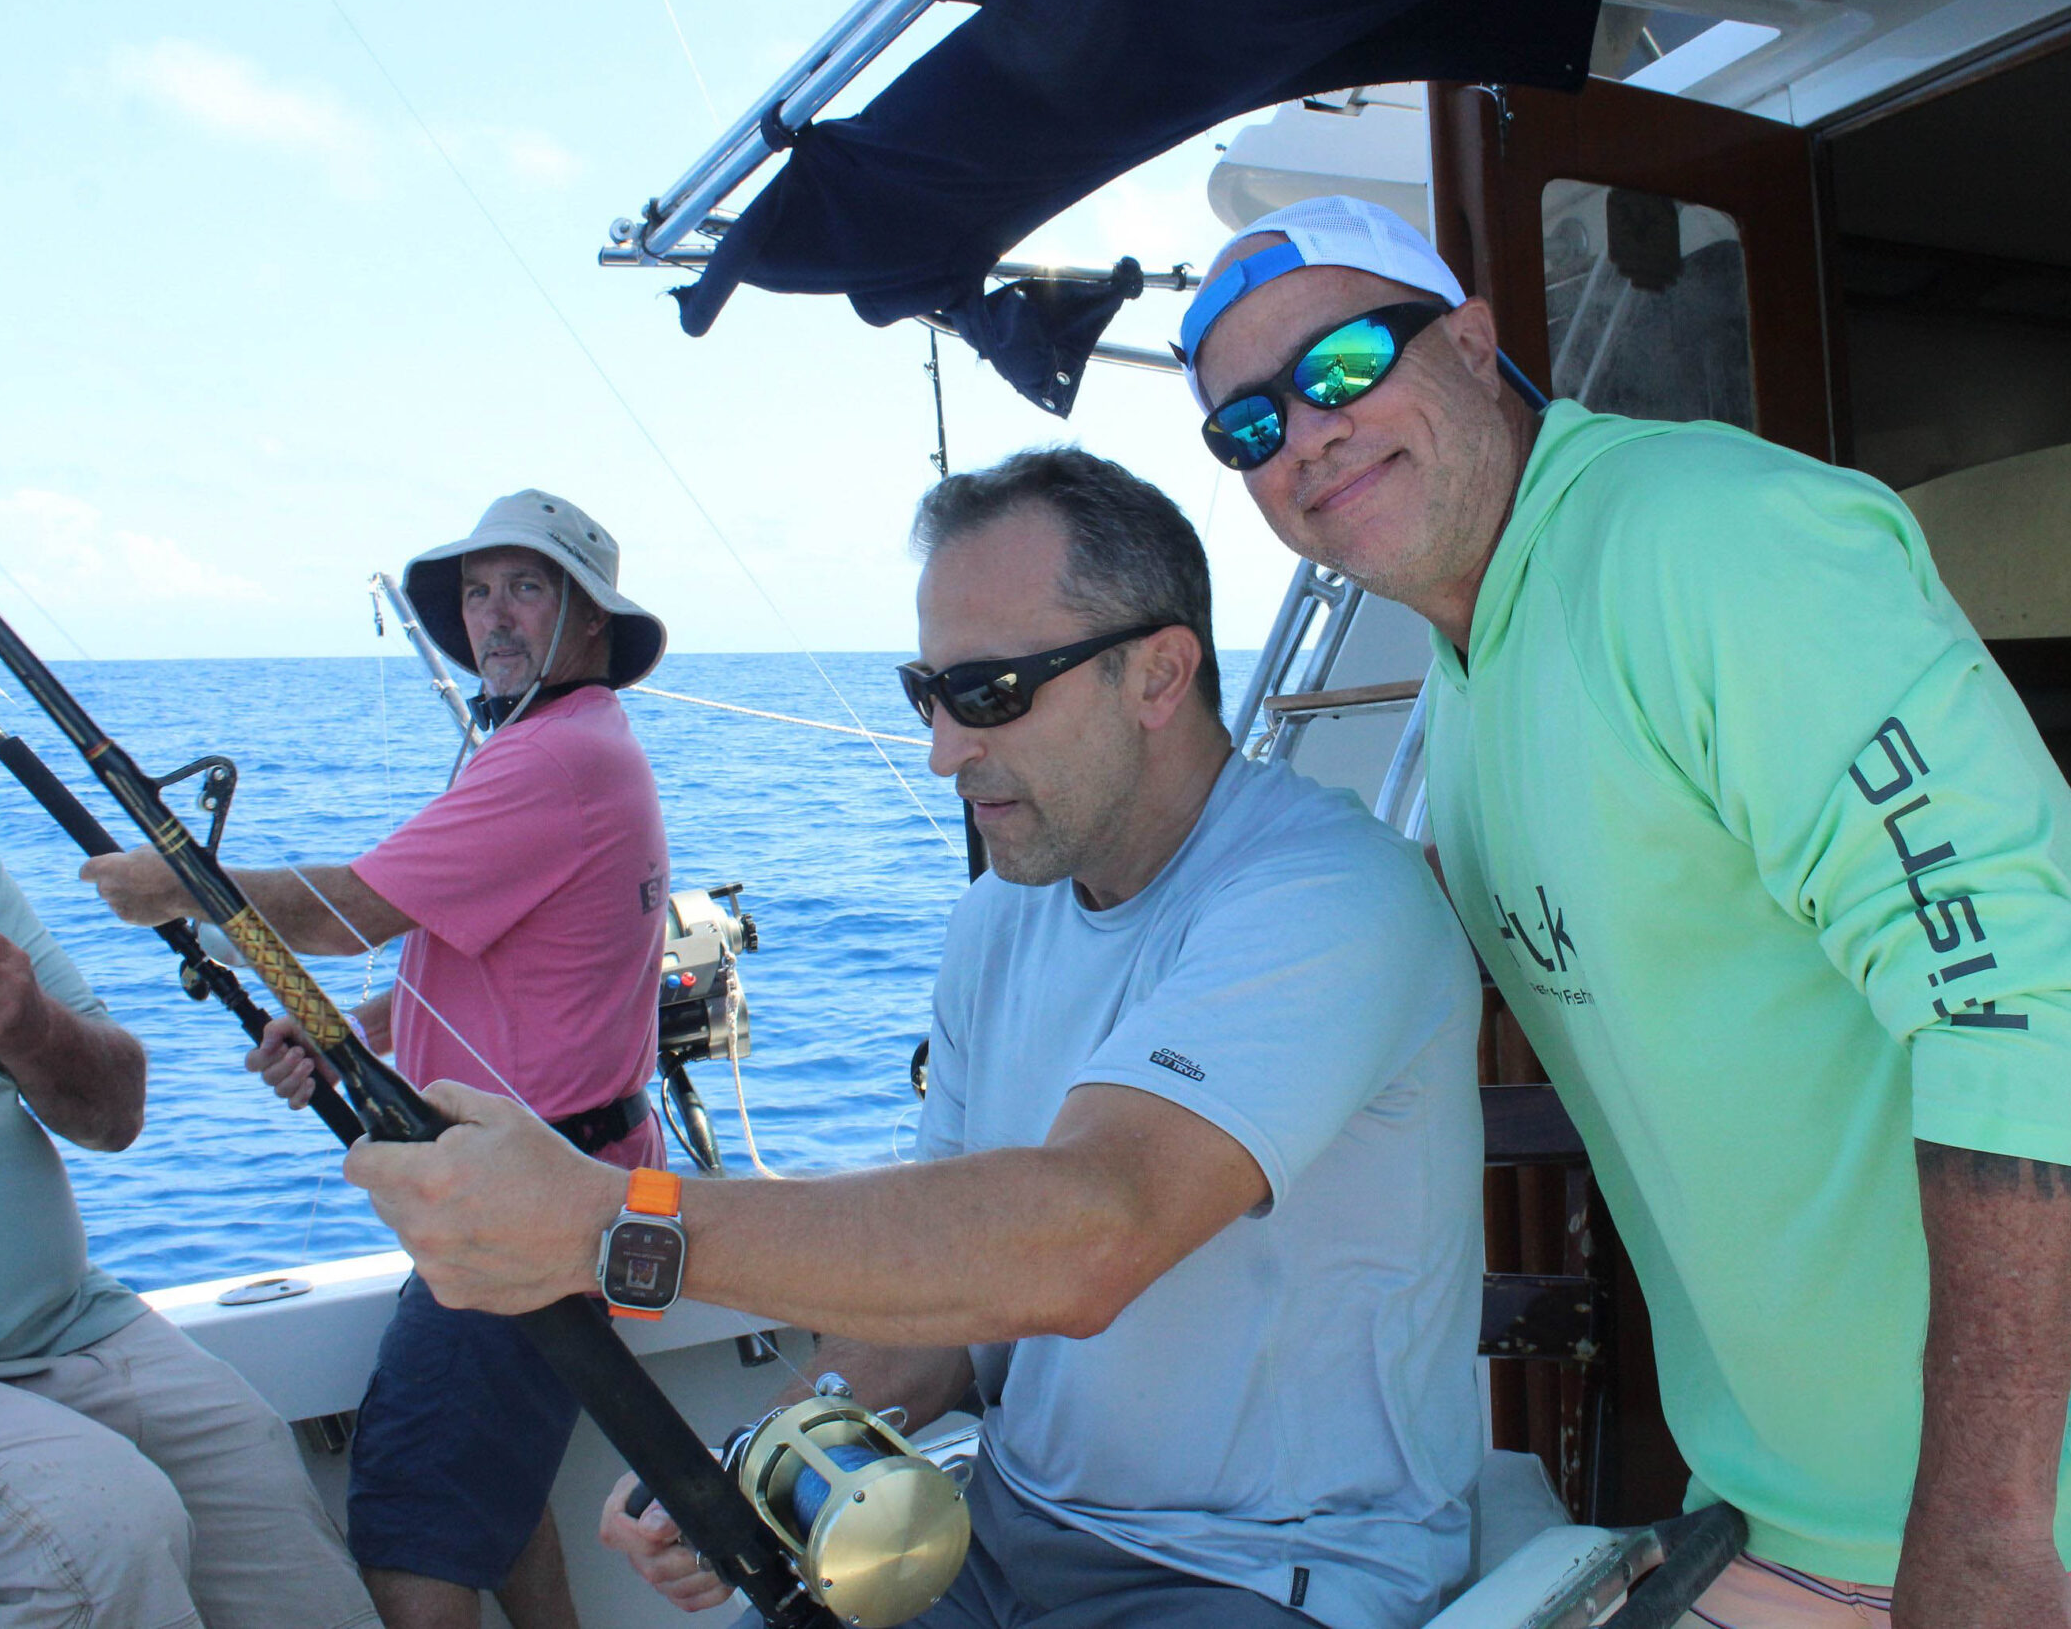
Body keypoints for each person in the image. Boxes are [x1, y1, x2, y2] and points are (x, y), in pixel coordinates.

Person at [1179, 194, 2071, 1628]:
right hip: (1812, 1511)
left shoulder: (1706, 540)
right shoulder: (1467, 674)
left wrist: (1981, 1527)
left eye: (1342, 364)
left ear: (1475, 345)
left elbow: (2000, 996)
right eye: (1247, 428)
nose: (1304, 431)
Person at [344, 448, 1493, 1629]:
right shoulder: (1003, 914)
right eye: (926, 693)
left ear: (1158, 674)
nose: (944, 751)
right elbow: (957, 1298)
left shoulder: (1327, 898)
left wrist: (608, 1220)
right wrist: (767, 1446)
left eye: (991, 693)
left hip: (1268, 1575)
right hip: (1003, 1533)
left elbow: (1088, 1232)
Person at [83, 490, 673, 1629]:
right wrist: (345, 1032)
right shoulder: (568, 746)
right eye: (478, 591)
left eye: (527, 587)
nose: (493, 615)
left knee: (411, 1535)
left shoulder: (552, 761)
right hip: (556, 1187)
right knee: (492, 1504)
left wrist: (172, 884)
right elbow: (467, 956)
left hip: (522, 1208)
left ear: (592, 622)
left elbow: (350, 906)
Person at [0, 567, 375, 1629]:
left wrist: (30, 1029)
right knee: (95, 1523)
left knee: (258, 1470)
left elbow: (118, 1118)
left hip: (65, 1331)